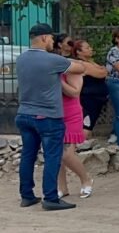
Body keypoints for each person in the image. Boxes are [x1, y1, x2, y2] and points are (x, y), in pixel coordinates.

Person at [15, 23, 87, 211]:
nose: (53, 42)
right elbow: (79, 68)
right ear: (44, 38)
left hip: (24, 114)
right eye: (52, 39)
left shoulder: (21, 59)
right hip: (48, 116)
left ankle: (26, 195)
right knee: (53, 157)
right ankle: (51, 198)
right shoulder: (52, 60)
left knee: (28, 155)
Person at [57, 46, 107, 199]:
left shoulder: (74, 68)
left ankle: (86, 179)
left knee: (66, 153)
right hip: (55, 112)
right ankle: (62, 187)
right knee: (56, 153)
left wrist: (58, 81)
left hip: (71, 113)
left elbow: (74, 92)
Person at [73, 40, 109, 138]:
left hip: (97, 98)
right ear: (78, 52)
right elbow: (102, 73)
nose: (91, 49)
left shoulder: (90, 62)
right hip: (88, 98)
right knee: (87, 123)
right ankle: (81, 142)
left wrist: (102, 69)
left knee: (91, 122)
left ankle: (84, 141)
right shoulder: (82, 64)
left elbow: (103, 70)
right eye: (87, 48)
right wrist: (102, 69)